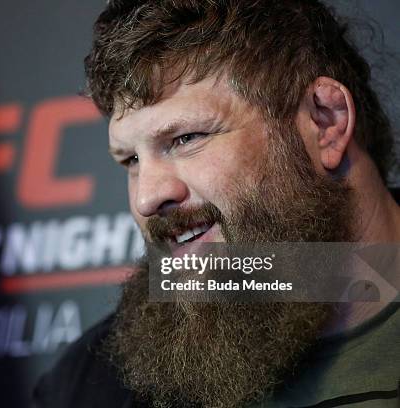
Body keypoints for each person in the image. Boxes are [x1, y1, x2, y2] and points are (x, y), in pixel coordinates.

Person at [32, 1, 400, 407]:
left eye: (186, 138)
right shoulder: (86, 388)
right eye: (131, 160)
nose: (147, 196)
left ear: (326, 122)